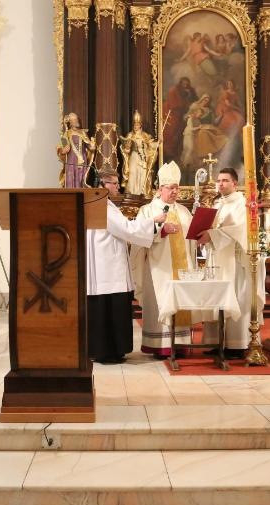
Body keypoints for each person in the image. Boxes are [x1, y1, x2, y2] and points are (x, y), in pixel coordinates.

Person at [87, 170, 166, 364]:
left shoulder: (98, 204)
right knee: (110, 309)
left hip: (104, 266)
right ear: (102, 185)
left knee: (104, 309)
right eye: (113, 183)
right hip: (108, 268)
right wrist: (153, 222)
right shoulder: (104, 207)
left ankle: (106, 350)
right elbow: (127, 229)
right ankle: (109, 352)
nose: (118, 187)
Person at [131, 161, 196, 357]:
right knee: (160, 302)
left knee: (182, 302)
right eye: (170, 187)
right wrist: (161, 231)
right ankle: (160, 345)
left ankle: (181, 344)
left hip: (182, 270)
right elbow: (138, 237)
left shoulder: (184, 212)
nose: (175, 191)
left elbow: (192, 240)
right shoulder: (147, 210)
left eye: (177, 187)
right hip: (158, 269)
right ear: (160, 189)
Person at [197, 168, 254, 358]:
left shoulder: (242, 204)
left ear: (234, 183)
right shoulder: (218, 204)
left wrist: (211, 235)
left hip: (233, 260)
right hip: (217, 257)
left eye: (225, 180)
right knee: (215, 297)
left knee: (235, 297)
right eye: (219, 181)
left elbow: (239, 230)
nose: (220, 184)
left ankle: (236, 345)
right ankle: (216, 341)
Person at [119, 111, 159, 197]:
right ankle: (131, 192)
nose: (135, 127)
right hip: (134, 156)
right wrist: (127, 147)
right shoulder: (130, 135)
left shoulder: (145, 135)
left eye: (137, 125)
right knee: (133, 173)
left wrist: (159, 142)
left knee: (142, 174)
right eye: (134, 125)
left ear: (140, 125)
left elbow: (151, 145)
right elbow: (126, 149)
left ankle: (142, 193)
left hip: (143, 158)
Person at [162, 77, 198, 160]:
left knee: (179, 133)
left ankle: (176, 152)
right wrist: (185, 105)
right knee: (171, 131)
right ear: (180, 83)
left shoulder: (189, 91)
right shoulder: (173, 90)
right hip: (171, 113)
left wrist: (189, 95)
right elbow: (174, 105)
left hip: (181, 115)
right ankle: (168, 151)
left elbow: (194, 100)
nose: (185, 85)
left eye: (187, 84)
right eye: (183, 84)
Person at [57, 112, 95, 188]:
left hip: (82, 160)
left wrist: (92, 145)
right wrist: (63, 150)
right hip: (71, 161)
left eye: (77, 119)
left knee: (81, 178)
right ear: (70, 123)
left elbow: (89, 146)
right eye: (74, 120)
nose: (76, 121)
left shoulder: (83, 133)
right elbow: (62, 148)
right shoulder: (66, 134)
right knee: (71, 178)